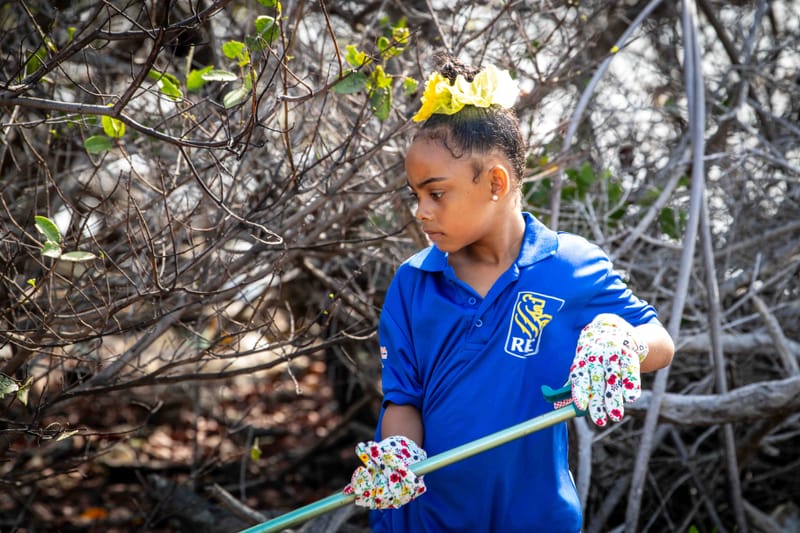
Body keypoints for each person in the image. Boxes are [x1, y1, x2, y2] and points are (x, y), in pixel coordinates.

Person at [343, 54, 675, 532]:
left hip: (536, 518)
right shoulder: (412, 283)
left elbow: (659, 342)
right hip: (428, 521)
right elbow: (403, 402)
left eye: (436, 194)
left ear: (496, 182)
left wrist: (621, 341)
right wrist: (399, 455)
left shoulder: (570, 267)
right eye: (416, 195)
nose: (421, 211)